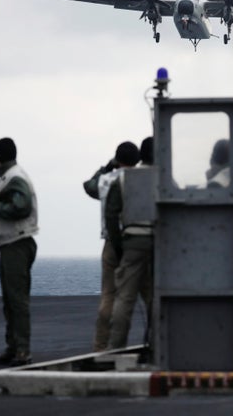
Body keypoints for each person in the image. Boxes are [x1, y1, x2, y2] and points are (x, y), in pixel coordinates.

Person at [0, 137, 39, 366]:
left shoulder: (14, 177)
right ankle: (14, 346)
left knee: (16, 299)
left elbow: (21, 206)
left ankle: (22, 351)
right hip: (11, 244)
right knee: (11, 299)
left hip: (16, 244)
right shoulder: (14, 175)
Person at [106, 142, 156, 349]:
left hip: (132, 241)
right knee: (157, 297)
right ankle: (159, 344)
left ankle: (116, 347)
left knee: (124, 298)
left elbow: (111, 215)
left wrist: (119, 247)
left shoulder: (124, 179)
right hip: (159, 243)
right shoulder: (166, 178)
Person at [83, 149, 123, 351]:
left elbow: (89, 186)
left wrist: (107, 167)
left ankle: (100, 346)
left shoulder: (107, 181)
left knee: (108, 295)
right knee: (148, 295)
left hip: (110, 242)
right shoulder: (143, 179)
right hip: (140, 241)